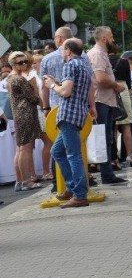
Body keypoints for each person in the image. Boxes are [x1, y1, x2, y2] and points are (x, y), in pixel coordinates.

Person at [43, 39, 94, 208]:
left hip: (68, 114)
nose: (62, 52)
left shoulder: (70, 65)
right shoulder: (84, 65)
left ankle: (79, 195)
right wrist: (57, 82)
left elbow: (65, 92)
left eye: (63, 49)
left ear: (69, 51)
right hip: (78, 113)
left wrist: (51, 85)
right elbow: (76, 88)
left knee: (73, 155)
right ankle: (72, 188)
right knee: (57, 151)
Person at [87, 27, 127, 185]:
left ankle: (107, 172)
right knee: (102, 138)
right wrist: (116, 85)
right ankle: (106, 174)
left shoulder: (101, 53)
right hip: (101, 100)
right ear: (104, 38)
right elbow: (100, 78)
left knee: (106, 137)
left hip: (105, 100)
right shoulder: (97, 54)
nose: (113, 40)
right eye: (111, 36)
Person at [7, 52, 42, 191]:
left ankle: (19, 181)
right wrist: (35, 88)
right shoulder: (19, 79)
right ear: (13, 64)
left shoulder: (10, 78)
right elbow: (33, 98)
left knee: (20, 148)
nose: (24, 64)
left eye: (25, 61)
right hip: (26, 114)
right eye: (20, 62)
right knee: (26, 148)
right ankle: (27, 181)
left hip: (19, 115)